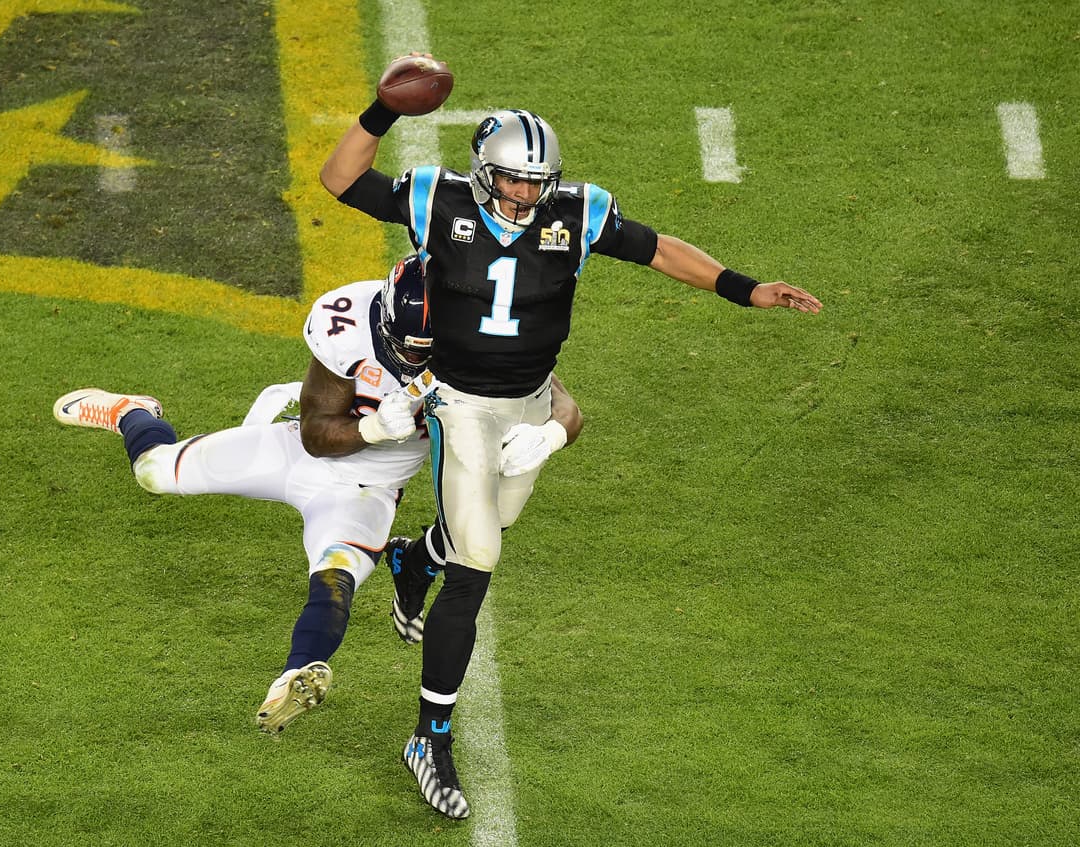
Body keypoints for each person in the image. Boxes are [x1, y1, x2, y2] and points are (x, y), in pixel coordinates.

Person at [320, 64, 823, 819]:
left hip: (529, 400)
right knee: (478, 561)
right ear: (484, 174)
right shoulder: (437, 199)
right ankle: (430, 736)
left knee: (483, 527)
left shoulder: (576, 215)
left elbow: (657, 249)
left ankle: (408, 557)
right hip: (458, 401)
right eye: (514, 182)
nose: (527, 195)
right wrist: (379, 113)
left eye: (537, 182)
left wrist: (744, 287)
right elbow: (339, 179)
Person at [52, 254, 582, 737]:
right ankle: (132, 413)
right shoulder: (346, 321)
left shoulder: (484, 341)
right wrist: (373, 430)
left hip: (370, 489)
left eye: (429, 348)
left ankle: (293, 674)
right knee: (154, 472)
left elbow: (561, 403)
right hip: (304, 452)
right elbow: (314, 434)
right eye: (405, 346)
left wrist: (552, 434)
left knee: (336, 576)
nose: (414, 358)